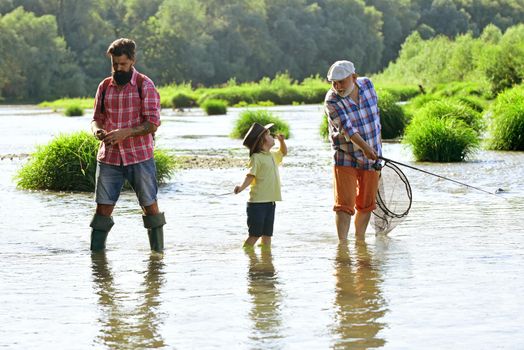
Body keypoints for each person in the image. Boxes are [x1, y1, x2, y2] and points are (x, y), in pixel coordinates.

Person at [89, 38, 165, 252]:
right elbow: (96, 118)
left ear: (132, 60)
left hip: (140, 157)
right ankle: (97, 260)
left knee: (150, 206)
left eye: (122, 64)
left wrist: (126, 133)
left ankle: (157, 258)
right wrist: (97, 130)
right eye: (114, 64)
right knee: (103, 209)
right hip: (109, 158)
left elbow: (152, 124)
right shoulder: (104, 86)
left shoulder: (145, 85)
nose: (118, 68)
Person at [323, 60, 382, 241]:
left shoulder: (368, 85)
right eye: (334, 82)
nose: (338, 86)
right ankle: (342, 246)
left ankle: (360, 242)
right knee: (344, 206)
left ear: (354, 78)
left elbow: (376, 119)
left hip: (372, 157)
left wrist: (376, 150)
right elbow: (348, 130)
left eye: (342, 81)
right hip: (345, 155)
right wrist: (365, 148)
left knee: (366, 204)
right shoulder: (331, 100)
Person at [234, 123, 287, 250]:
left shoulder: (272, 155)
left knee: (267, 235)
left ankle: (266, 260)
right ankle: (247, 253)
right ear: (262, 141)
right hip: (257, 204)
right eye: (268, 135)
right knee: (255, 235)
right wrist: (241, 188)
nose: (272, 135)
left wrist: (282, 142)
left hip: (270, 203)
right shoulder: (256, 158)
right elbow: (250, 175)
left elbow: (283, 152)